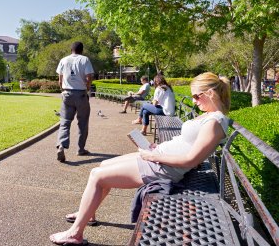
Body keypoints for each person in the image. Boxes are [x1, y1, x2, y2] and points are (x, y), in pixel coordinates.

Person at [49, 72, 231, 245]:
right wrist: (156, 149)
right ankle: (88, 213)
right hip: (159, 157)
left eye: (197, 96)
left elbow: (190, 160)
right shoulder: (210, 116)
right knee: (103, 165)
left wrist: (153, 155)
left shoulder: (215, 122)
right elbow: (189, 145)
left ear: (211, 93)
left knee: (97, 175)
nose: (194, 101)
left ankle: (75, 234)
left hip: (164, 167)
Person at [55, 41, 94, 162]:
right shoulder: (84, 60)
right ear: (82, 50)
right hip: (81, 94)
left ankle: (61, 145)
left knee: (65, 122)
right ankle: (80, 149)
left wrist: (63, 89)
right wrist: (87, 87)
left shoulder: (63, 60)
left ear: (71, 49)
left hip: (67, 93)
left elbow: (60, 80)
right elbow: (89, 77)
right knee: (82, 122)